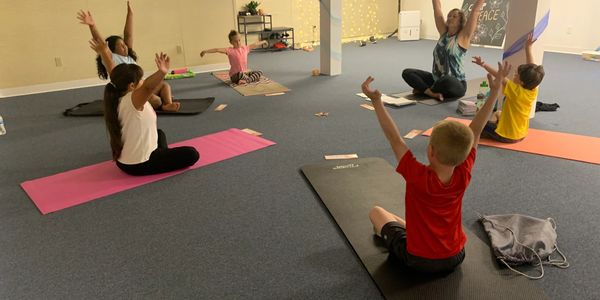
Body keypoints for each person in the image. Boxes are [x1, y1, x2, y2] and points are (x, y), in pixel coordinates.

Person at [362, 61, 511, 274]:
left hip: (418, 261)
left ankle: (399, 235)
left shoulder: (417, 175)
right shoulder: (463, 173)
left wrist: (377, 101)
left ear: (430, 151)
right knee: (398, 220)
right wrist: (495, 92)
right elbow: (475, 131)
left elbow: (394, 138)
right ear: (463, 155)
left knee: (377, 212)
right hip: (456, 256)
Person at [90, 38, 198, 176]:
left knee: (159, 133)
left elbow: (113, 70)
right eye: (140, 79)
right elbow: (148, 86)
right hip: (140, 164)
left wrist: (103, 51)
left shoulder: (117, 91)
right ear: (132, 86)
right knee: (192, 154)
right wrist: (162, 72)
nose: (142, 81)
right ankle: (161, 155)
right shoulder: (132, 100)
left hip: (124, 161)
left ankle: (162, 154)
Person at [77, 2, 181, 112]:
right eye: (121, 46)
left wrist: (130, 14)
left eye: (125, 44)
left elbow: (129, 35)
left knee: (165, 86)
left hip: (144, 87)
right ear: (112, 49)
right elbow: (102, 43)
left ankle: (168, 104)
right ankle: (162, 104)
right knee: (156, 101)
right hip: (131, 92)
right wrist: (92, 26)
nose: (125, 47)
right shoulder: (111, 58)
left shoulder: (129, 57)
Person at [402, 0, 485, 101]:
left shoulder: (463, 37)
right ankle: (432, 93)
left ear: (460, 22)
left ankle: (424, 89)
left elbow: (475, 12)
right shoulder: (443, 33)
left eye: (454, 16)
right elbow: (437, 8)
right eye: (449, 15)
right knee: (407, 73)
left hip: (456, 83)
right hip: (436, 80)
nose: (450, 18)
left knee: (447, 79)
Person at [472, 33, 544, 143]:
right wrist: (528, 48)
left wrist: (483, 64)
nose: (514, 74)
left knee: (478, 123)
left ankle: (489, 131)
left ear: (522, 81)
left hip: (507, 136)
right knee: (498, 113)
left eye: (516, 75)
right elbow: (532, 67)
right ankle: (496, 125)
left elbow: (498, 75)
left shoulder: (515, 90)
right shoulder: (532, 89)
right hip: (521, 134)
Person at [200, 30, 268, 85]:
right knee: (240, 74)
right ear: (231, 42)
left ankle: (246, 80)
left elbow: (255, 44)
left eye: (239, 40)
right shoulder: (229, 50)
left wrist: (264, 41)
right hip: (235, 76)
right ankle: (248, 80)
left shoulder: (245, 48)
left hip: (244, 73)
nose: (238, 43)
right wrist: (206, 51)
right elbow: (217, 49)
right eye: (235, 41)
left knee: (259, 72)